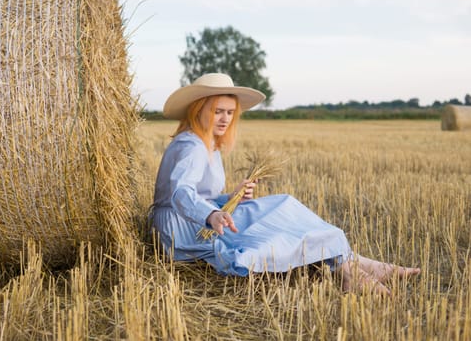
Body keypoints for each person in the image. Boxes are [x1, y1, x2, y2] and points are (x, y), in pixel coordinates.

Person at [150, 73, 420, 295]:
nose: (225, 118)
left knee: (279, 208)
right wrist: (210, 214)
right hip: (182, 227)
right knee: (279, 213)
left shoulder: (208, 143)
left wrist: (230, 199)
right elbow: (181, 193)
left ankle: (351, 265)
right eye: (217, 111)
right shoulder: (191, 145)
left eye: (230, 112)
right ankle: (351, 268)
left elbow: (199, 194)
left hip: (197, 217)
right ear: (199, 110)